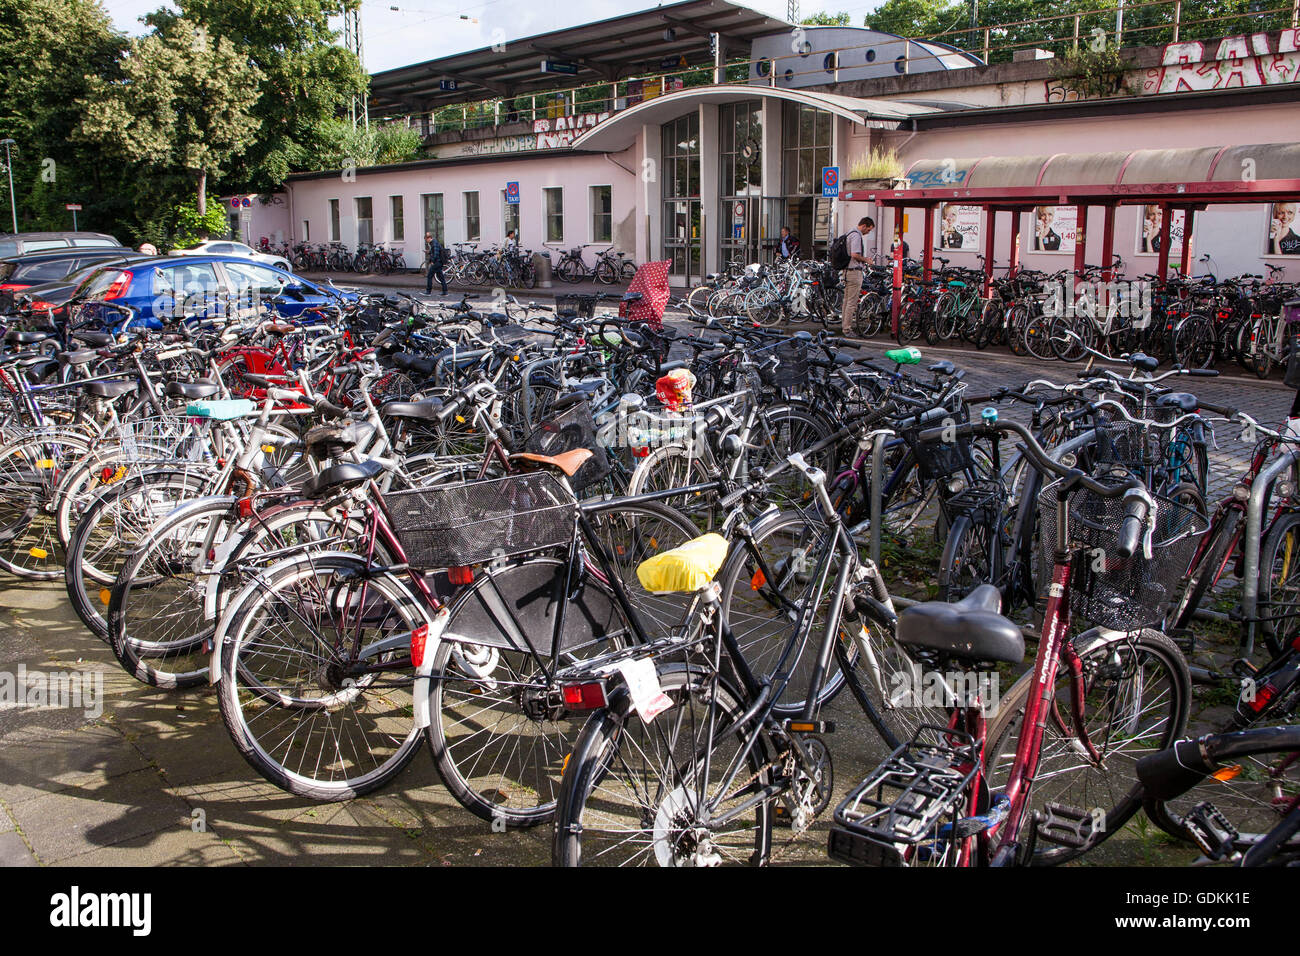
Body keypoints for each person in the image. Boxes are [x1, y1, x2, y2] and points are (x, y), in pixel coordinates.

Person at [840, 216, 875, 337]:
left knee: (846, 300)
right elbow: (854, 254)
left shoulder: (849, 232)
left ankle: (844, 326)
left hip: (846, 270)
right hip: (854, 271)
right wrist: (866, 260)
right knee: (851, 302)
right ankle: (847, 329)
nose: (867, 232)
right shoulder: (856, 235)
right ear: (864, 226)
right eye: (868, 230)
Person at [425, 231, 446, 295]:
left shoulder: (434, 243)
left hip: (437, 262)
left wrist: (432, 261)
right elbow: (435, 252)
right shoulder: (434, 243)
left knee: (429, 276)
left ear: (429, 238)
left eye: (426, 239)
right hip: (439, 262)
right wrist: (428, 252)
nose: (426, 241)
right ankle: (445, 291)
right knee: (441, 277)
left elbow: (436, 254)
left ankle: (428, 291)